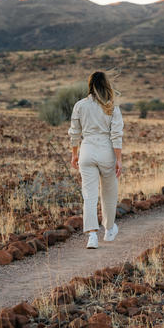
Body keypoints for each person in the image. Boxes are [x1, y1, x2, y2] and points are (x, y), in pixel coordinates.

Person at [68, 71, 124, 249]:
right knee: (109, 193)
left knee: (89, 195)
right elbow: (116, 135)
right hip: (106, 151)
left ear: (90, 85)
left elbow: (74, 132)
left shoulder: (80, 105)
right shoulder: (111, 106)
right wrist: (118, 159)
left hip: (87, 151)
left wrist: (74, 154)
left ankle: (92, 236)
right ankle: (109, 230)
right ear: (106, 84)